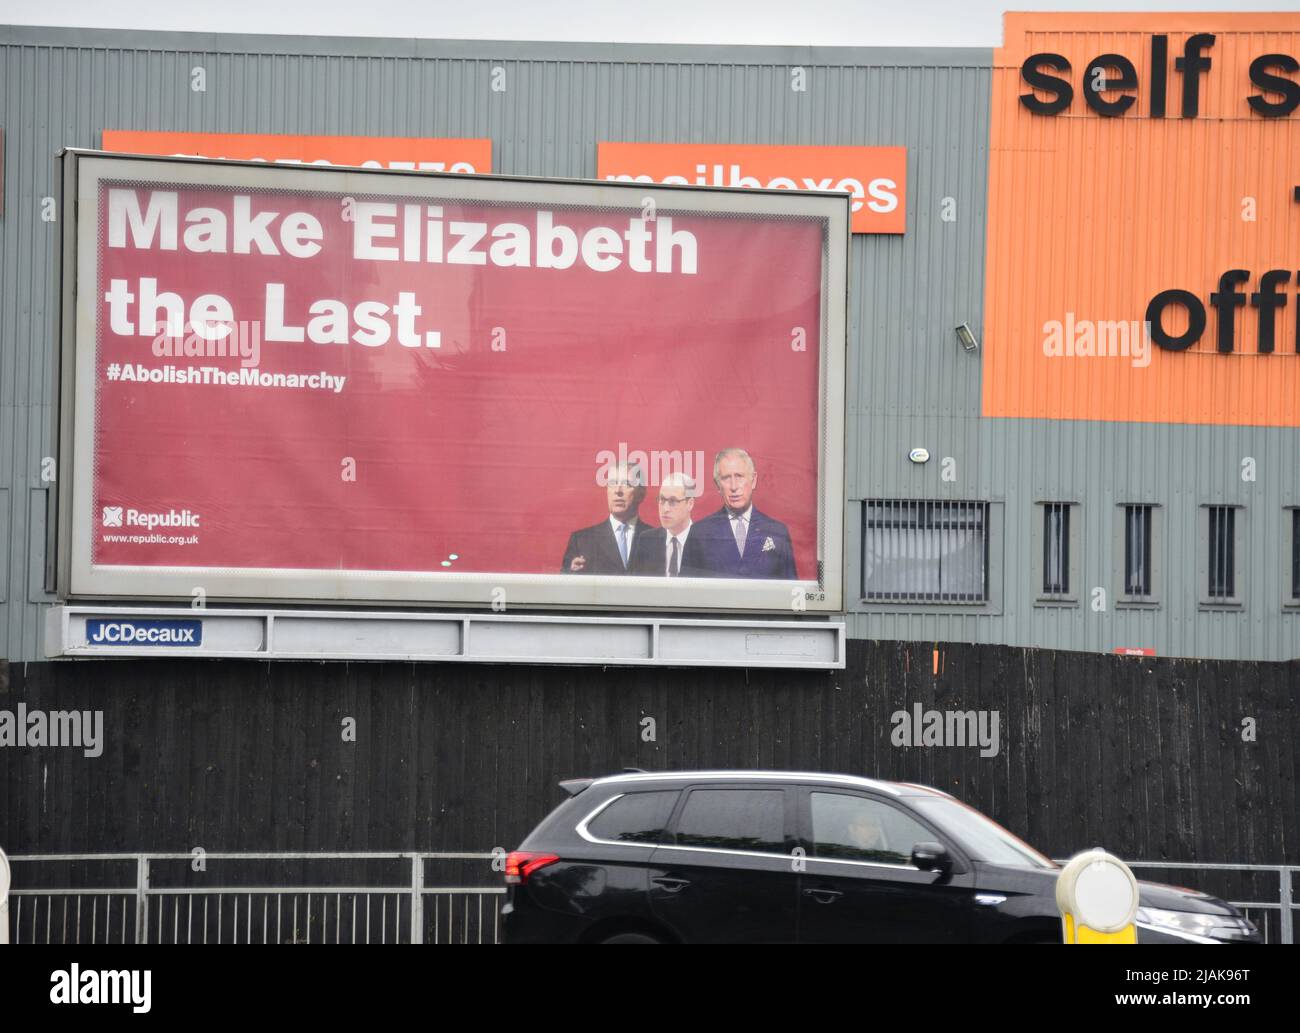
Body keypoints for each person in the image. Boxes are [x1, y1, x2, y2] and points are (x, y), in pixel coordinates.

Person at [692, 448, 797, 579]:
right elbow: (686, 594)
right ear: (718, 485)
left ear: (753, 480)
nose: (734, 486)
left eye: (739, 476)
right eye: (726, 478)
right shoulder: (699, 534)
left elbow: (790, 592)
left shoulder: (777, 532)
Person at [561, 461, 658, 574]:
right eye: (613, 483)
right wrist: (571, 574)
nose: (618, 491)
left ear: (641, 493)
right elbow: (565, 586)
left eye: (627, 484)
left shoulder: (657, 540)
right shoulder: (582, 541)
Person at [630, 471, 708, 577]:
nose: (665, 509)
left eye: (673, 501)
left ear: (690, 504)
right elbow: (637, 589)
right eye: (662, 500)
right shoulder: (646, 541)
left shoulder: (706, 544)